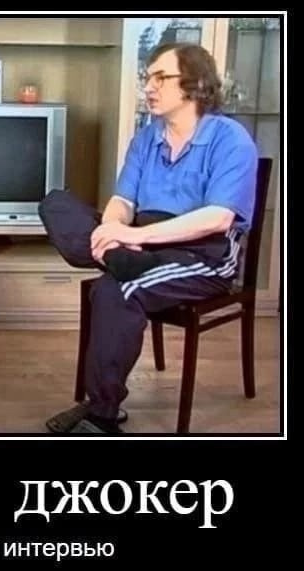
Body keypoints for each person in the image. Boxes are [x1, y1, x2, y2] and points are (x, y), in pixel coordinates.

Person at [39, 42, 259, 434]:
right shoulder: (146, 138)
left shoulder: (231, 139)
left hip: (202, 254)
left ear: (195, 84)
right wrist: (113, 231)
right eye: (148, 77)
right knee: (56, 204)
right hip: (141, 243)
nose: (149, 87)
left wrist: (133, 235)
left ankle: (102, 414)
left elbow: (218, 218)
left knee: (116, 290)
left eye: (161, 77)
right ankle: (117, 257)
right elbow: (123, 201)